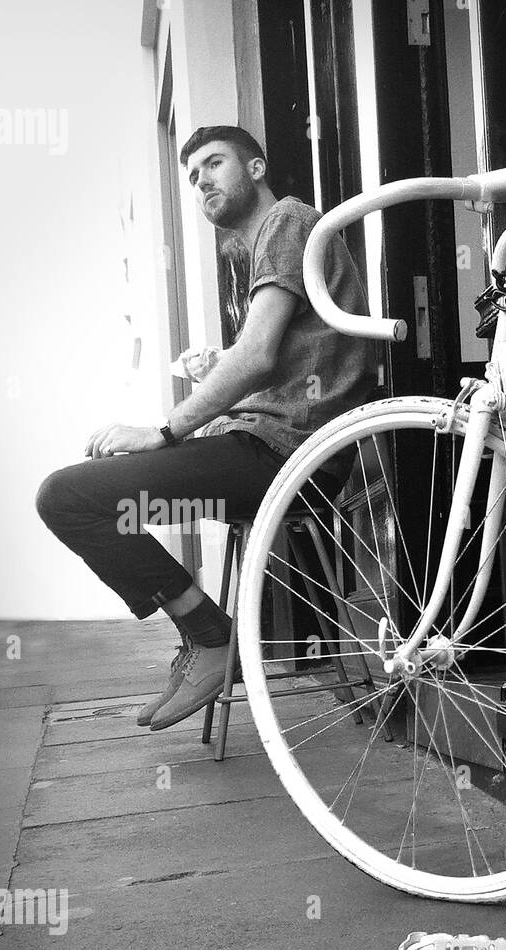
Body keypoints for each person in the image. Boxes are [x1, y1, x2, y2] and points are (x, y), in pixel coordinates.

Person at [36, 125, 375, 729]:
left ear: (256, 167)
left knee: (66, 496)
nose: (202, 181)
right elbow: (276, 364)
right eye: (192, 176)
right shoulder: (261, 246)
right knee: (94, 487)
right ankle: (206, 635)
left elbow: (260, 357)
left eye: (214, 164)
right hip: (270, 448)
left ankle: (210, 635)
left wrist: (165, 431)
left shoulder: (287, 221)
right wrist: (219, 378)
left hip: (287, 457)